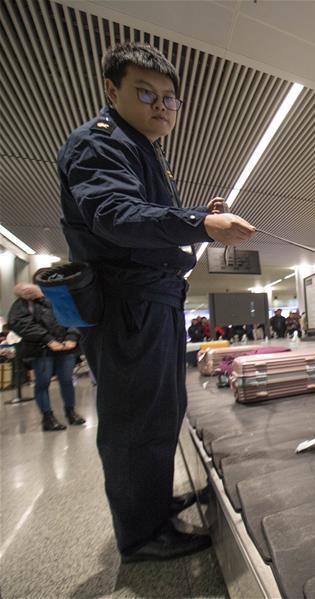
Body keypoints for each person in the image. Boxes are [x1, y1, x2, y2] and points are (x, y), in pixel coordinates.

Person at [58, 42, 255, 563]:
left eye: (170, 98)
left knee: (163, 410)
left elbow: (144, 215)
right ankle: (142, 535)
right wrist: (199, 222)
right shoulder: (99, 145)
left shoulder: (139, 147)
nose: (161, 106)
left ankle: (152, 505)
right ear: (111, 90)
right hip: (129, 304)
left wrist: (197, 215)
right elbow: (115, 215)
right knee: (135, 420)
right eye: (146, 93)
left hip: (154, 299)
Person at [7, 282, 85, 431]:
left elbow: (72, 316)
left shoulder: (57, 298)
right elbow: (21, 324)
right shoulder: (22, 305)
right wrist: (48, 339)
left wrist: (72, 336)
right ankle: (47, 418)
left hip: (65, 347)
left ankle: (71, 412)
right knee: (43, 383)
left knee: (67, 380)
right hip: (41, 349)